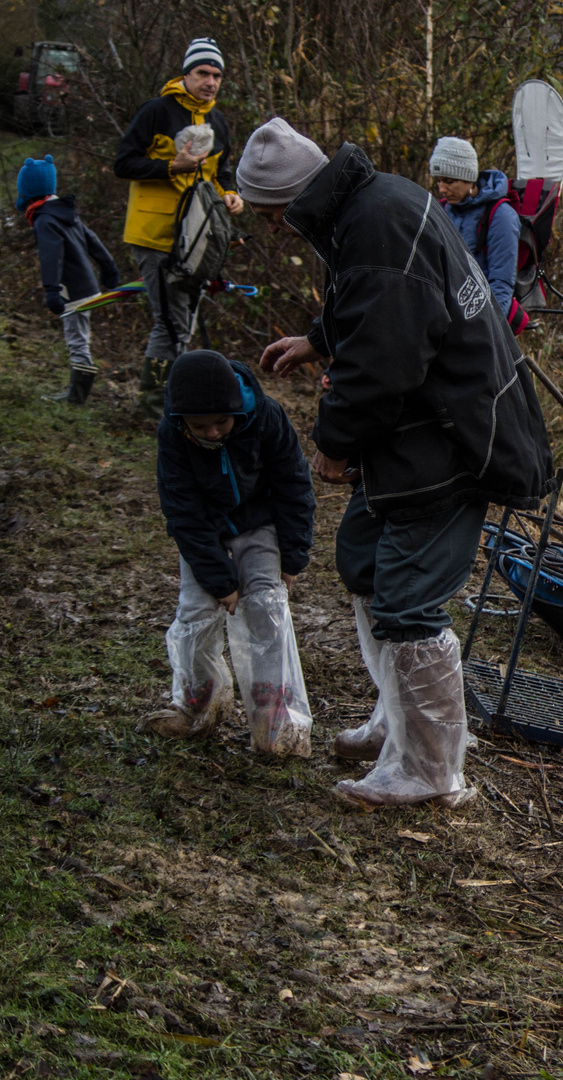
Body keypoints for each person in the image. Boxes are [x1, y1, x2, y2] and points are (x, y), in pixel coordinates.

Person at [240, 118, 553, 808]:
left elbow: (385, 361)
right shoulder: (373, 201)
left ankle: (431, 767)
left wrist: (333, 441)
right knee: (361, 561)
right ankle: (396, 720)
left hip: (452, 436)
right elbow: (382, 306)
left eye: (269, 215)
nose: (271, 228)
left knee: (409, 598)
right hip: (420, 428)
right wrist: (319, 338)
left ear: (292, 198)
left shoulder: (375, 225)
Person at [141, 350, 316, 758]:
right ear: (181, 420)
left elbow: (294, 483)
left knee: (267, 609)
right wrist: (219, 581)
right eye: (200, 426)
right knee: (196, 611)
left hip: (260, 526)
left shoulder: (266, 417)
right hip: (207, 530)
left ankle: (276, 719)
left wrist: (292, 556)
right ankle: (196, 705)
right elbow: (182, 511)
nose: (214, 432)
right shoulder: (172, 434)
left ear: (236, 408)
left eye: (222, 422)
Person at [113, 37, 245, 415]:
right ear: (185, 74)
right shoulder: (157, 111)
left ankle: (168, 400)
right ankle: (153, 404)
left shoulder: (218, 120)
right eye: (203, 73)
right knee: (170, 323)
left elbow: (222, 173)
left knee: (181, 323)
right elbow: (124, 163)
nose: (211, 81)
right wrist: (170, 167)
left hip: (199, 241)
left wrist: (232, 194)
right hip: (154, 236)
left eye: (217, 75)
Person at [17, 154, 120, 404]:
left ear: (27, 193)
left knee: (77, 340)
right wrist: (109, 267)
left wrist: (51, 288)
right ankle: (76, 393)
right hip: (88, 285)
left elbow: (52, 256)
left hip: (72, 291)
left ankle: (76, 397)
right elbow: (92, 239)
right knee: (79, 336)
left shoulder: (44, 220)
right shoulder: (65, 212)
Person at [428, 136, 521, 315]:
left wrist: (491, 332)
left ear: (469, 179)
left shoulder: (501, 216)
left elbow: (501, 283)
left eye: (449, 181)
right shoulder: (441, 209)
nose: (442, 189)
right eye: (438, 181)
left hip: (480, 319)